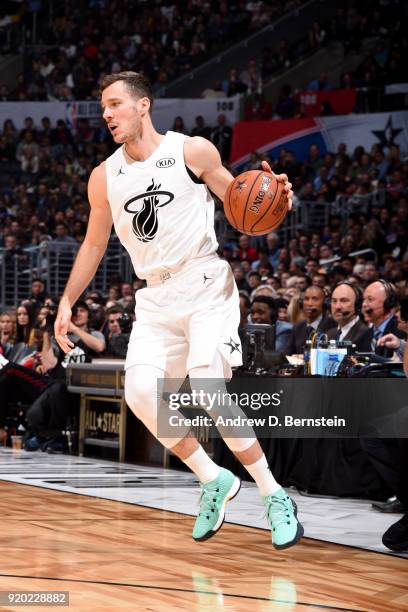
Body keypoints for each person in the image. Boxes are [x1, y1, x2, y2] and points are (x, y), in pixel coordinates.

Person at [54, 71, 303, 549]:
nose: (105, 114)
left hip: (204, 281)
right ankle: (213, 479)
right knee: (142, 395)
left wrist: (277, 200)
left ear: (143, 105)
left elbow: (241, 206)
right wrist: (67, 300)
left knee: (208, 384)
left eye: (114, 104)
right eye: (103, 106)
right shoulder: (103, 177)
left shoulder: (192, 151)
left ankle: (274, 493)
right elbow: (93, 243)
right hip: (155, 298)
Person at [287, 286, 335, 355]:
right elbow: (286, 354)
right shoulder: (298, 327)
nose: (310, 304)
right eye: (306, 299)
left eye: (315, 299)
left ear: (324, 303)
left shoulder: (332, 326)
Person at [327, 282, 372, 351]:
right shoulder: (329, 334)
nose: (337, 307)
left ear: (357, 305)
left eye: (344, 301)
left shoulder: (366, 334)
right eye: (334, 301)